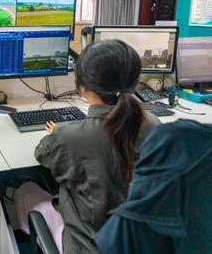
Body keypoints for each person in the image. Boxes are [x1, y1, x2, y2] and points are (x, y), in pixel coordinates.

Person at [15, 39, 161, 254]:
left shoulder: (68, 137)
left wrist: (59, 133)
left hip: (87, 247)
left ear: (83, 87)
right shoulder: (154, 125)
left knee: (25, 191)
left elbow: (42, 154)